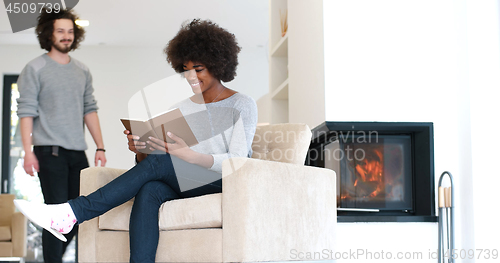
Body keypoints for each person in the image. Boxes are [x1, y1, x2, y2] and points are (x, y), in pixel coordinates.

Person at [15, 19, 258, 263]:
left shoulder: (241, 104)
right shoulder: (181, 108)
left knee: (163, 163)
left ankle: (73, 212)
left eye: (199, 68)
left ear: (218, 64)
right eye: (186, 69)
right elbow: (158, 162)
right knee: (149, 189)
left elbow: (238, 162)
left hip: (224, 181)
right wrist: (141, 149)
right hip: (186, 181)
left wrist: (189, 156)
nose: (191, 76)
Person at [16, 8, 107, 263]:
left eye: (70, 32)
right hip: (48, 151)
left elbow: (90, 109)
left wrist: (100, 146)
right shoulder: (35, 68)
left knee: (81, 212)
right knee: (55, 214)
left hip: (78, 152)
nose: (66, 36)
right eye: (60, 31)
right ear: (49, 34)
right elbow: (26, 112)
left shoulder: (82, 70)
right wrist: (28, 151)